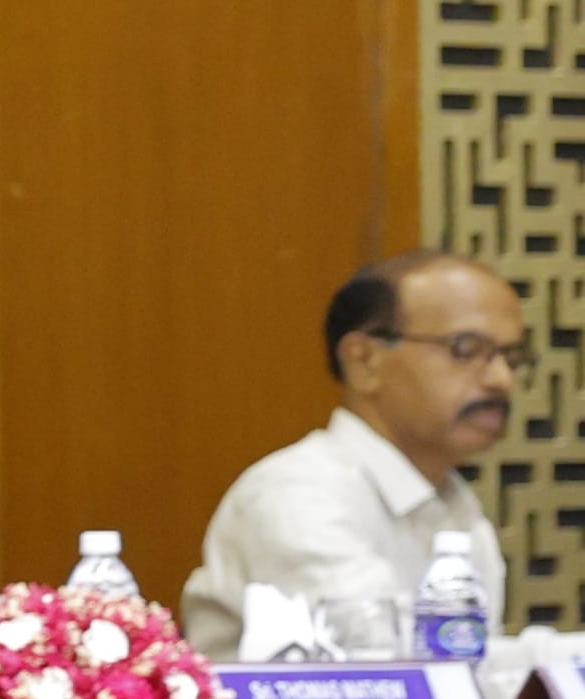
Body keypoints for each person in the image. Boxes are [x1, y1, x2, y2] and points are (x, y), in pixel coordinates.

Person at [180, 252, 524, 658]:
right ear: (364, 361)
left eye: (511, 356)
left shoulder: (454, 501)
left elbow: (475, 665)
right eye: (465, 349)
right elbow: (379, 666)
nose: (501, 379)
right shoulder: (298, 494)